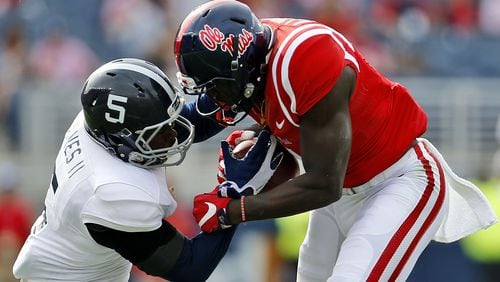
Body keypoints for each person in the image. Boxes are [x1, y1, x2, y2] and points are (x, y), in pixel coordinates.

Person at [174, 1, 498, 281]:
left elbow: (323, 184)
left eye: (214, 85)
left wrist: (233, 210)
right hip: (342, 191)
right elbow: (190, 122)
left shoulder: (305, 58)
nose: (210, 95)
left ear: (241, 68)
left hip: (398, 180)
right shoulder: (251, 62)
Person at [12, 58, 280, 282]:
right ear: (124, 140)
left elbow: (185, 121)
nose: (173, 134)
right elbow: (190, 268)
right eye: (160, 132)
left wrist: (236, 92)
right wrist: (233, 193)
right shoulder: (111, 193)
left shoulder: (100, 122)